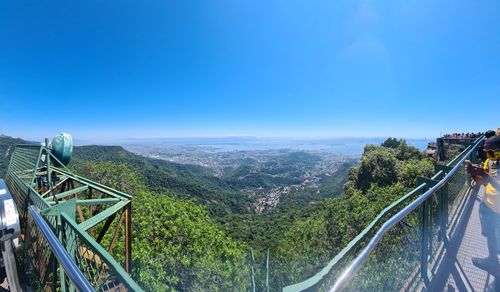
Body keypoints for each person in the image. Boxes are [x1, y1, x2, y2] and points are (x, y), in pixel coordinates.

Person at [469, 135, 500, 291]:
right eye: (487, 152)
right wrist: (474, 174)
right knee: (490, 238)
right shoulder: (491, 162)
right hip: (488, 206)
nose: (488, 156)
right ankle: (492, 261)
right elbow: (485, 183)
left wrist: (486, 174)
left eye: (491, 152)